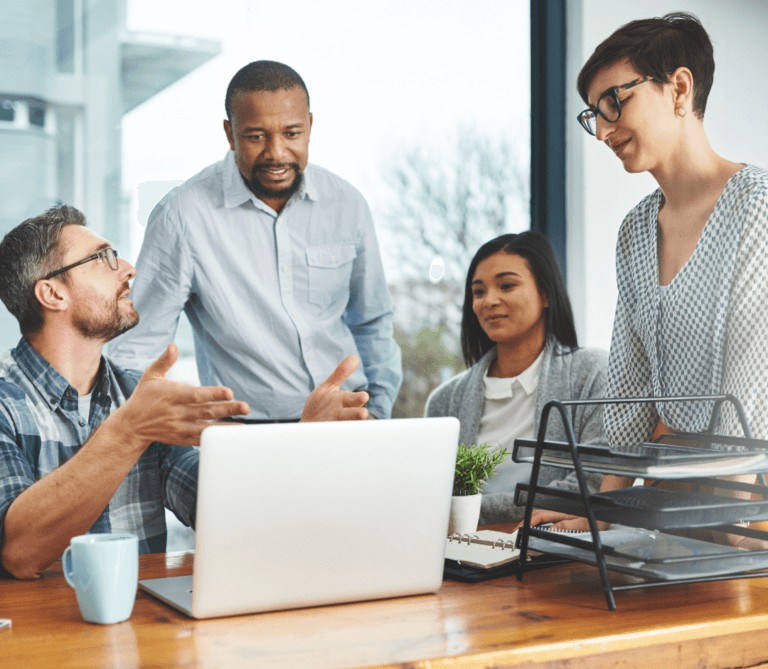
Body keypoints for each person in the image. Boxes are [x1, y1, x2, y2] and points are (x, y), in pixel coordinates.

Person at [0, 205, 372, 580]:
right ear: (52, 293)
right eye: (103, 258)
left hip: (141, 632)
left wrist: (306, 443)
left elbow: (233, 516)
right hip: (34, 635)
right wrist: (129, 431)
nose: (128, 268)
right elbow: (20, 552)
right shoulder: (7, 400)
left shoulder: (137, 395)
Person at [547, 13, 768, 540]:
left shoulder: (756, 208)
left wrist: (731, 513)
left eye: (613, 103)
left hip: (749, 499)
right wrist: (601, 513)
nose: (601, 130)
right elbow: (629, 390)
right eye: (593, 115)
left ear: (679, 88)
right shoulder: (635, 232)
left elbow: (752, 375)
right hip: (686, 497)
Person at [108, 60, 402, 421]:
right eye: (256, 136)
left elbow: (372, 321)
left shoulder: (347, 204)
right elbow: (137, 349)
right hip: (248, 435)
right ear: (230, 134)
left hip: (350, 420)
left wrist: (378, 413)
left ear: (309, 126)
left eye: (291, 134)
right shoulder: (183, 216)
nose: (276, 153)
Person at [425, 232, 607, 524]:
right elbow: (430, 499)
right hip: (462, 553)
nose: (489, 301)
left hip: (549, 549)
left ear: (545, 294)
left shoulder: (594, 373)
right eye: (479, 292)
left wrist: (469, 510)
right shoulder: (444, 402)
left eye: (507, 286)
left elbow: (589, 487)